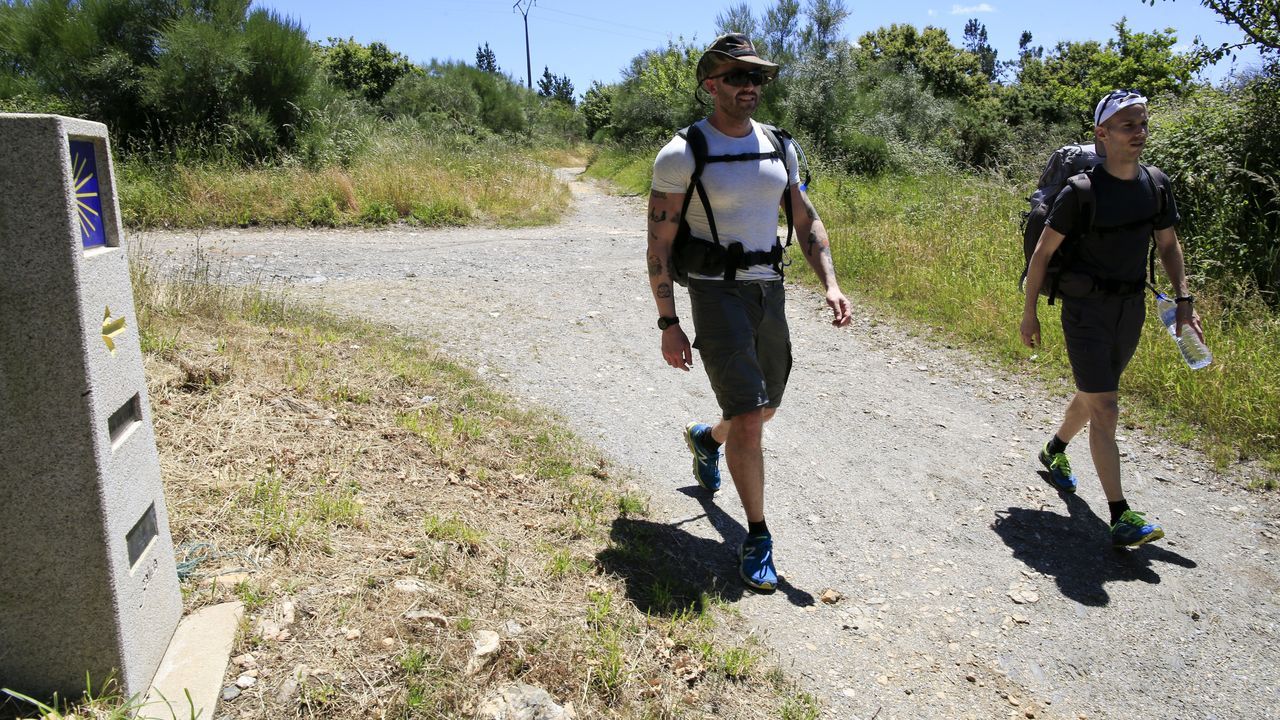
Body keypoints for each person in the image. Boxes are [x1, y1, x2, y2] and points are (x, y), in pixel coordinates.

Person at [646, 33, 852, 592]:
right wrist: (670, 323)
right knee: (751, 416)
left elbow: (806, 219)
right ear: (711, 84)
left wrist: (830, 283)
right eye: (738, 77)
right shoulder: (683, 152)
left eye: (757, 77)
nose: (750, 87)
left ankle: (706, 439)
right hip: (715, 294)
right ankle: (757, 537)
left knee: (761, 412)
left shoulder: (780, 146)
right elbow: (659, 246)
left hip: (770, 290)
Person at [1020, 89, 1204, 547]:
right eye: (1128, 125)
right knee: (1106, 406)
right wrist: (1029, 315)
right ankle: (1121, 516)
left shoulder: (1156, 184)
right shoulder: (1081, 192)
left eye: (1142, 124)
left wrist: (1184, 300)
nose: (1138, 133)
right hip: (1084, 311)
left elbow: (1167, 245)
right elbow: (1042, 256)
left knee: (1094, 394)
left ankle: (1055, 449)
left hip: (1131, 310)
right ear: (1102, 134)